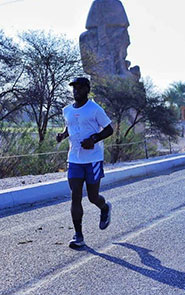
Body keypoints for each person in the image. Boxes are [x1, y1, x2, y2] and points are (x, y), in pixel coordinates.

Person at [57, 77, 114, 249]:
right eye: (74, 88)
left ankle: (104, 208)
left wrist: (94, 139)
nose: (76, 91)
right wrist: (62, 135)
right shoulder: (66, 110)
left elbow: (109, 129)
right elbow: (71, 125)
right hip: (74, 159)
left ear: (87, 90)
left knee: (92, 197)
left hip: (93, 159)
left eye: (80, 88)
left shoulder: (94, 109)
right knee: (75, 195)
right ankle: (78, 236)